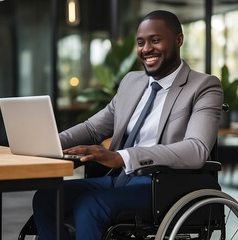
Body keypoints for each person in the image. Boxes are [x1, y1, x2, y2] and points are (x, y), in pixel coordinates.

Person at [32, 10, 223, 240]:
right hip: (120, 179)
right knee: (46, 197)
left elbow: (196, 149)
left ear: (178, 40)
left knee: (90, 206)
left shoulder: (203, 86)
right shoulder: (132, 82)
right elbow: (93, 128)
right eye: (141, 42)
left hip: (161, 186)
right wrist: (48, 143)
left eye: (155, 40)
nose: (146, 49)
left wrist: (123, 157)